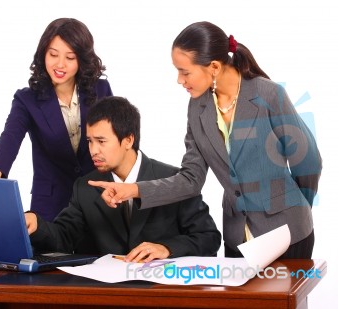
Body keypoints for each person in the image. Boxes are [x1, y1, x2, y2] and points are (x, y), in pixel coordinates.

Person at [89, 21, 322, 259]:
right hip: (237, 236)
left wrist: (296, 207)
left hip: (287, 234)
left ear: (213, 67)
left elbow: (308, 160)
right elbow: (191, 179)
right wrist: (133, 190)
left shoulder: (269, 95)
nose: (179, 80)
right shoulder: (197, 108)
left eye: (185, 71)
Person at [25, 96, 221, 262]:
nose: (93, 150)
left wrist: (166, 248)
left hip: (162, 295)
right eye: (90, 141)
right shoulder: (84, 187)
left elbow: (208, 238)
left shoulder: (175, 180)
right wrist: (37, 225)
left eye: (101, 141)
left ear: (128, 140)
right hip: (106, 295)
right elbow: (64, 238)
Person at [0, 18, 113, 221]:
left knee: (99, 254)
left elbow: (114, 138)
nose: (60, 64)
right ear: (43, 53)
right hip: (50, 205)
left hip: (97, 198)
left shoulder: (100, 90)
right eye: (53, 54)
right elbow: (10, 137)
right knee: (48, 253)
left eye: (70, 57)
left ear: (81, 59)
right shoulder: (27, 99)